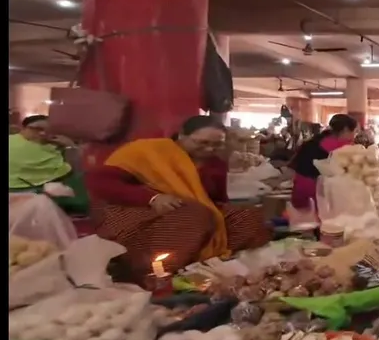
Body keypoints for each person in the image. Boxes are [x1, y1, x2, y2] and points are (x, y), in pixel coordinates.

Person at [87, 116, 272, 278]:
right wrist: (152, 198)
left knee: (248, 216)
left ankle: (205, 262)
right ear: (182, 136)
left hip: (195, 213)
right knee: (195, 216)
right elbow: (99, 183)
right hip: (137, 210)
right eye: (202, 143)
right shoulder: (147, 151)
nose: (209, 149)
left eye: (217, 144)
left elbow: (218, 200)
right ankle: (146, 268)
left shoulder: (215, 163)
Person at [9, 115, 90, 215]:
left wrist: (70, 146)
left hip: (42, 188)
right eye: (37, 129)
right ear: (23, 128)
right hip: (18, 188)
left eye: (47, 130)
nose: (42, 133)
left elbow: (74, 167)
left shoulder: (55, 146)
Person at [288, 114, 359, 210]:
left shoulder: (313, 141)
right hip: (320, 197)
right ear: (346, 130)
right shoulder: (343, 147)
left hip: (299, 193)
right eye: (355, 132)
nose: (354, 136)